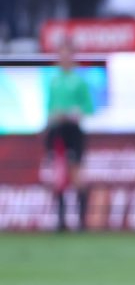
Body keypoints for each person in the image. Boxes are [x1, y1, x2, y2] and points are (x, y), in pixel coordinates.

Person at [45, 43, 94, 232]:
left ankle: (82, 222)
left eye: (67, 55)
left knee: (76, 176)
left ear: (73, 57)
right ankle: (60, 222)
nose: (64, 59)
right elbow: (48, 108)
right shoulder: (53, 81)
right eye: (61, 55)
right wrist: (52, 116)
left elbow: (89, 108)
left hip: (73, 131)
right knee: (57, 175)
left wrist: (73, 113)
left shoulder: (79, 81)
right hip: (56, 131)